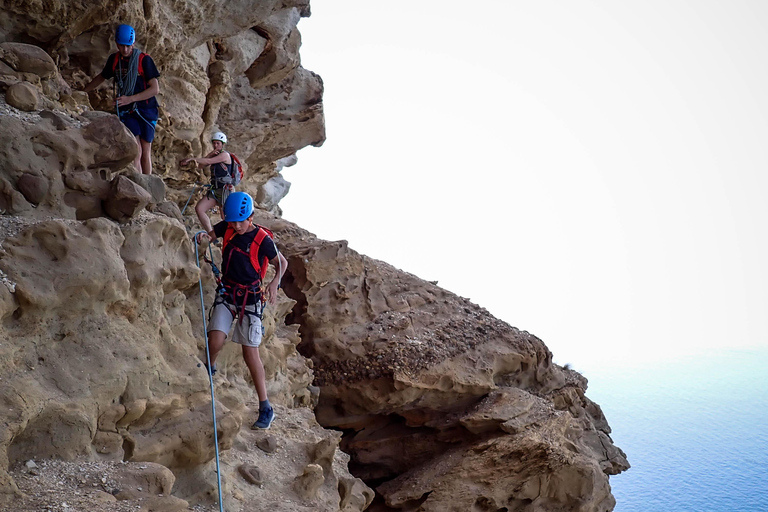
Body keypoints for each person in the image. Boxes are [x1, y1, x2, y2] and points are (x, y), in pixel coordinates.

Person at [195, 191, 288, 430]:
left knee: (250, 353)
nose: (236, 226)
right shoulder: (227, 226)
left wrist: (274, 283)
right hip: (228, 292)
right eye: (233, 221)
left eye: (241, 221)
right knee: (215, 339)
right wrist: (204, 238)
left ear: (251, 216)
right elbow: (211, 235)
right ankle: (209, 369)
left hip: (251, 298)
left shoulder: (262, 239)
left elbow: (282, 263)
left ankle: (266, 407)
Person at [82, 24, 160, 175]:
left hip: (146, 109)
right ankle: (139, 183)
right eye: (121, 46)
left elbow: (155, 89)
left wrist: (130, 98)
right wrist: (83, 91)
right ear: (116, 44)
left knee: (146, 150)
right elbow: (101, 77)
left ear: (133, 43)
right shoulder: (115, 60)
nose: (125, 50)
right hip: (127, 110)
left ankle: (148, 185)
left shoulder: (144, 60)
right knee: (136, 150)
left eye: (128, 46)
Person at [181, 132, 234, 233]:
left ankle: (230, 237)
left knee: (225, 216)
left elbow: (208, 162)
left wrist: (192, 159)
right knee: (199, 209)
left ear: (223, 144)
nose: (215, 145)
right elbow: (201, 166)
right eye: (214, 143)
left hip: (225, 190)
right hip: (215, 189)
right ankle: (211, 233)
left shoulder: (225, 155)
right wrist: (209, 155)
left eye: (218, 143)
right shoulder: (215, 155)